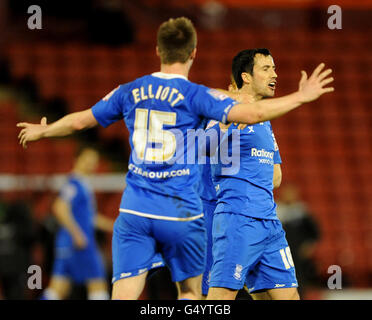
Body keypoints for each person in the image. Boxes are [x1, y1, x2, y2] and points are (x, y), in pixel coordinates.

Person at [17, 17, 334, 300]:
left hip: (138, 208)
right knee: (197, 294)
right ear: (193, 53)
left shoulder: (131, 90)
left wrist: (44, 131)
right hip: (190, 213)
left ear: (157, 50)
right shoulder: (198, 97)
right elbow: (246, 118)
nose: (274, 74)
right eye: (267, 68)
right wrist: (302, 96)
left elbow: (79, 121)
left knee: (123, 291)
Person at [206, 49, 301, 300]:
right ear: (246, 77)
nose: (275, 74)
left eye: (275, 68)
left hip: (269, 221)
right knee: (220, 298)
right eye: (267, 69)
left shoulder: (264, 118)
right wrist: (225, 125)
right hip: (238, 219)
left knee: (288, 297)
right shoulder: (227, 109)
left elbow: (276, 177)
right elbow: (205, 147)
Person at [40, 146, 114, 300]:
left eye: (94, 161)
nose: (91, 164)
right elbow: (59, 207)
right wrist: (77, 234)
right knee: (98, 286)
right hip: (80, 243)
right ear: (77, 160)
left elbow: (90, 217)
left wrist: (114, 226)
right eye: (88, 159)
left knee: (57, 290)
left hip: (68, 243)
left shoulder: (82, 184)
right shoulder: (74, 184)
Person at [276, 183, 321, 296]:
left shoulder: (301, 211)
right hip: (279, 252)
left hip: (297, 254)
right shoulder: (275, 209)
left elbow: (314, 232)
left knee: (299, 279)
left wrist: (309, 245)